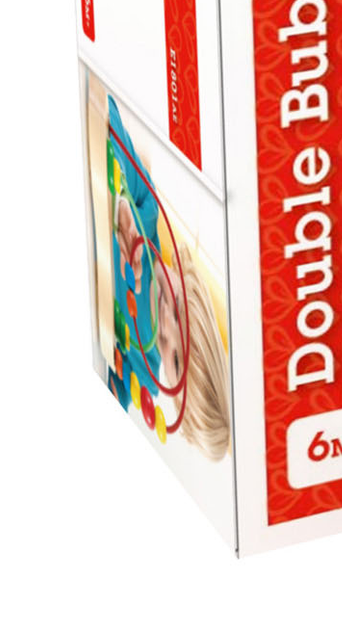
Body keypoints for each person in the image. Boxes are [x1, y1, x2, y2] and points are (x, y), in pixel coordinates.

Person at [108, 96, 231, 459]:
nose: (166, 326)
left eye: (173, 359)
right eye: (179, 311)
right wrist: (120, 204)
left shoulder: (138, 370)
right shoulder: (147, 212)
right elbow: (105, 114)